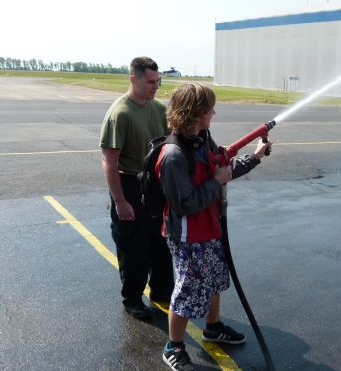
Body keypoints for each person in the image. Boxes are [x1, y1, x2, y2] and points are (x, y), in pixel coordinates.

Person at [157, 83, 272, 371]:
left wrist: (255, 158)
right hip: (187, 235)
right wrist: (217, 181)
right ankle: (174, 345)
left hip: (209, 229)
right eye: (209, 109)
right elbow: (185, 204)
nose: (214, 112)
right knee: (187, 290)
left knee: (216, 279)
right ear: (196, 113)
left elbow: (223, 169)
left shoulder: (202, 141)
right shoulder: (173, 156)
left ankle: (212, 327)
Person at [99, 57, 174, 319]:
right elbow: (109, 159)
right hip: (130, 184)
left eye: (158, 81)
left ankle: (162, 291)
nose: (156, 86)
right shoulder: (120, 113)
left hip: (155, 185)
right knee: (133, 247)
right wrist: (120, 201)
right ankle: (132, 298)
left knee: (161, 242)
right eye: (151, 81)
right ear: (134, 79)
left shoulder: (158, 109)